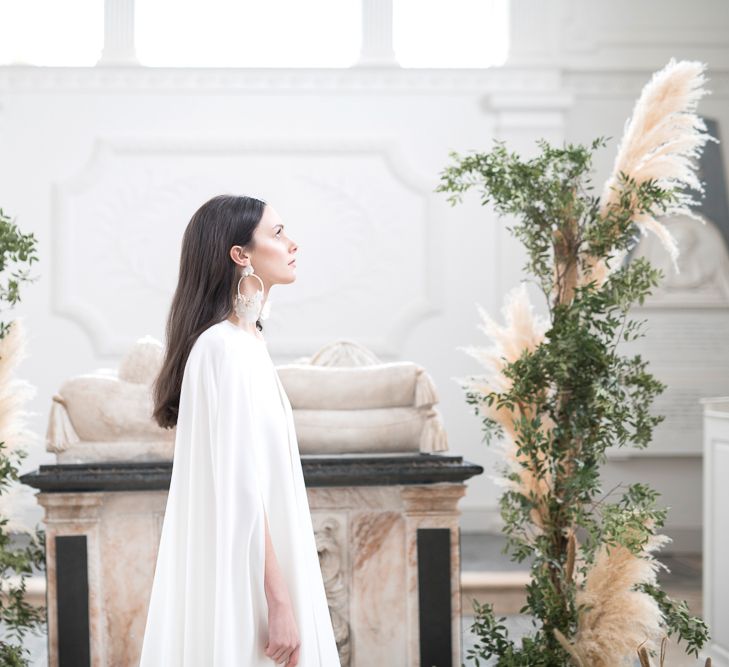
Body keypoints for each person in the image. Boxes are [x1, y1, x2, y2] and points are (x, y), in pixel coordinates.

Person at [138, 194, 341, 666]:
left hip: (264, 567)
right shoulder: (222, 348)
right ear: (240, 255)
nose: (293, 244)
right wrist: (280, 601)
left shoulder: (249, 340)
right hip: (249, 579)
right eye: (277, 233)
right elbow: (240, 489)